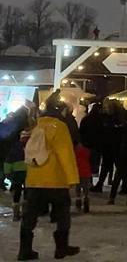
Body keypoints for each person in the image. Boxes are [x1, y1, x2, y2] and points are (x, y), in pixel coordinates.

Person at [19, 91, 80, 261]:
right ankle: (61, 248)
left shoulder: (36, 125)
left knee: (29, 216)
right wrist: (72, 179)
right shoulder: (59, 127)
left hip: (34, 180)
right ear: (61, 111)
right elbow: (65, 154)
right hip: (55, 180)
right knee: (62, 214)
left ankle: (25, 250)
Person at [74, 142, 92, 213]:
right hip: (86, 172)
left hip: (77, 173)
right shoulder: (87, 151)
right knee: (86, 189)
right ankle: (86, 202)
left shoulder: (74, 152)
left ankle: (78, 201)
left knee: (78, 189)